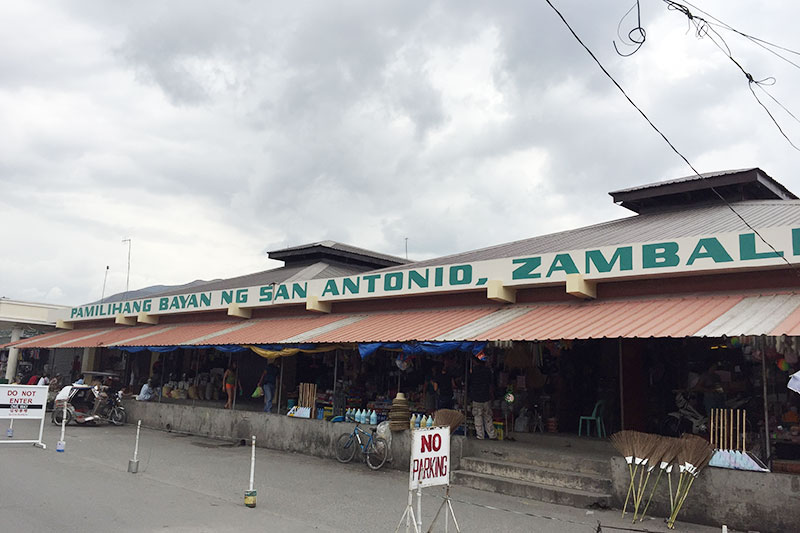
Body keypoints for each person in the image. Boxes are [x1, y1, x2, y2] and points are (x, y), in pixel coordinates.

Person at [470, 356, 496, 440]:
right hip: (486, 397)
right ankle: (492, 435)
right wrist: (491, 395)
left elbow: (469, 383)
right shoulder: (487, 370)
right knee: (488, 416)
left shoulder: (473, 371)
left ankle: (480, 435)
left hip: (476, 397)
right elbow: (491, 384)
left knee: (478, 417)